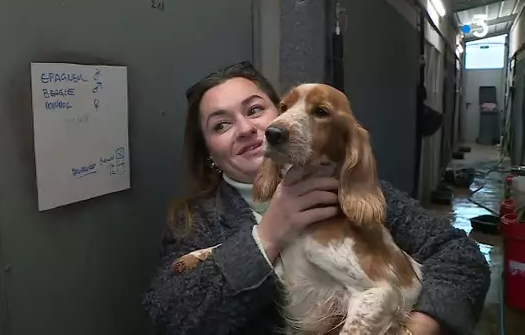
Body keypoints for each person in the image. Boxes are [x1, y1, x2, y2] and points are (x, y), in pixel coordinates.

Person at [142, 61, 490, 335]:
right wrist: (267, 237)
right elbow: (171, 318)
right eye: (221, 125)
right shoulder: (194, 223)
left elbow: (461, 258)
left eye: (254, 110)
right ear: (209, 153)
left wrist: (419, 328)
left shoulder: (352, 191)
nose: (247, 129)